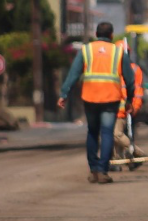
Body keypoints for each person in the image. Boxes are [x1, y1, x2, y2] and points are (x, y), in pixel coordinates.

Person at [56, 21, 135, 184]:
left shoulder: (86, 50)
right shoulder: (119, 52)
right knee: (106, 133)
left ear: (96, 34)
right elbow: (130, 80)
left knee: (92, 132)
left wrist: (64, 93)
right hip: (111, 99)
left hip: (90, 98)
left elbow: (73, 74)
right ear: (111, 35)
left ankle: (93, 170)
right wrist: (130, 100)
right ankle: (103, 171)